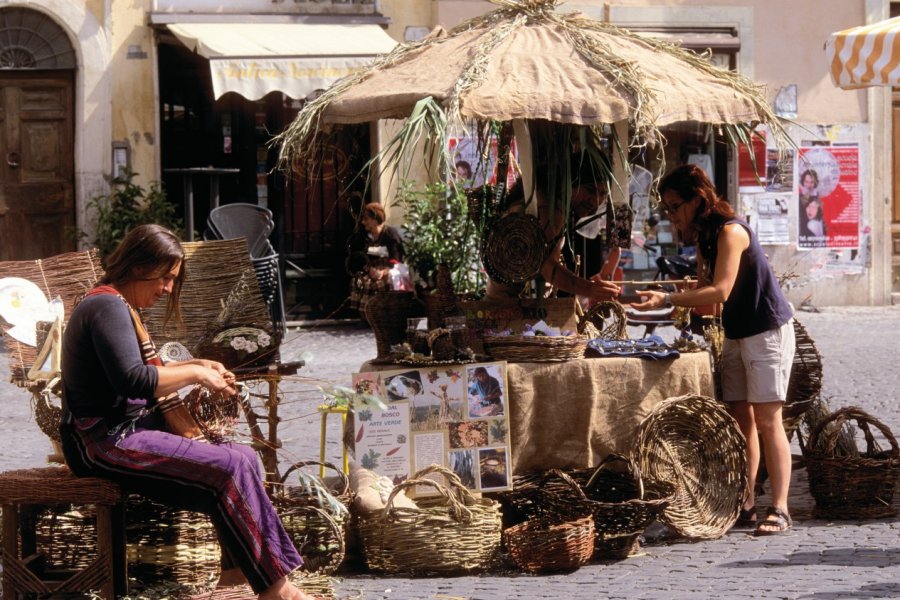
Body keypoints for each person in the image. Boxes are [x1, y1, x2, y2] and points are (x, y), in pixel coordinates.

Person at [59, 224, 315, 600]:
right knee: (230, 467)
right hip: (102, 442)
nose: (166, 288)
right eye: (164, 277)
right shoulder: (105, 307)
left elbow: (145, 373)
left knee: (242, 456)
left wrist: (200, 365)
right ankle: (277, 589)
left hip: (128, 433)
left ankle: (233, 576)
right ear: (138, 266)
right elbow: (134, 380)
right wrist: (195, 372)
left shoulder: (118, 305)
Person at [630, 164, 796, 536]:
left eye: (675, 207)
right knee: (742, 421)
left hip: (766, 330)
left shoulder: (731, 231)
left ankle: (781, 508)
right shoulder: (704, 235)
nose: (671, 215)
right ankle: (746, 502)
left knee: (769, 420)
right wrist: (669, 300)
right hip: (738, 332)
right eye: (667, 208)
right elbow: (706, 289)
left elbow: (719, 290)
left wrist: (669, 297)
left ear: (698, 199)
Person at [484, 153, 621, 303]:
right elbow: (546, 266)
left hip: (509, 306)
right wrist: (589, 289)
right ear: (570, 183)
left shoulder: (547, 201)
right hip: (508, 309)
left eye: (602, 193)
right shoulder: (548, 209)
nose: (595, 200)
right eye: (590, 190)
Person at [347, 202, 405, 320]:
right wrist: (369, 269)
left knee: (378, 284)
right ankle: (366, 317)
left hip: (391, 270)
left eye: (366, 219)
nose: (363, 222)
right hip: (373, 269)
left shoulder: (390, 234)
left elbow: (397, 259)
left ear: (375, 219)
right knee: (358, 281)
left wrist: (383, 272)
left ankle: (381, 316)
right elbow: (363, 258)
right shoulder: (367, 237)